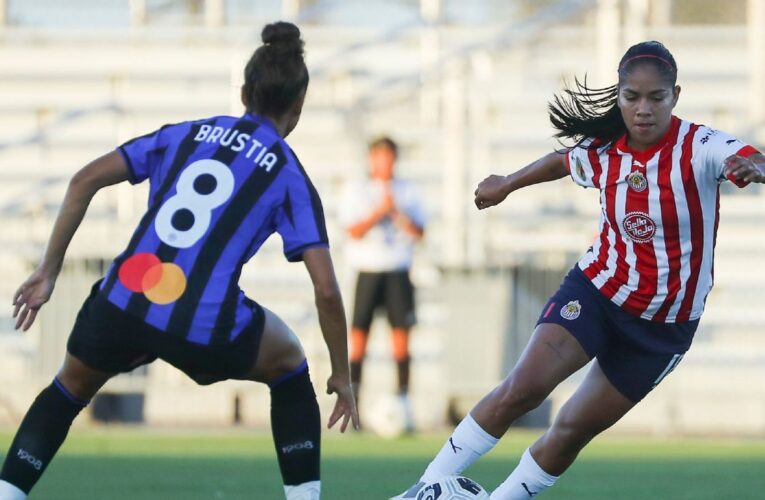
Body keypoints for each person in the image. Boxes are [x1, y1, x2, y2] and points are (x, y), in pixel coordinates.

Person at [0, 21, 358, 500]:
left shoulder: (184, 134)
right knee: (290, 361)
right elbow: (327, 289)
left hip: (124, 297)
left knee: (67, 389)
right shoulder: (289, 172)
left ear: (244, 91)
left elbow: (84, 179)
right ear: (298, 107)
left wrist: (48, 271)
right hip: (203, 321)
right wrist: (342, 373)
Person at [392, 40, 764, 499]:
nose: (643, 109)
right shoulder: (605, 149)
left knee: (569, 430)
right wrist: (507, 183)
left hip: (661, 328)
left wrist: (751, 166)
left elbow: (750, 156)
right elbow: (562, 161)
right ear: (620, 95)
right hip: (598, 291)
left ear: (676, 95)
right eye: (632, 97)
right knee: (522, 389)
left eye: (656, 97)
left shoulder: (699, 146)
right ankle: (422, 489)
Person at [339, 136, 425, 430]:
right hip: (367, 270)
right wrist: (379, 212)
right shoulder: (357, 189)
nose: (384, 163)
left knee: (401, 342)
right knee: (358, 340)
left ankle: (403, 404)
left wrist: (395, 213)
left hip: (398, 271)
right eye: (380, 157)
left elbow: (419, 231)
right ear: (371, 159)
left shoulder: (407, 191)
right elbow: (352, 230)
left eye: (389, 157)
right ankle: (354, 407)